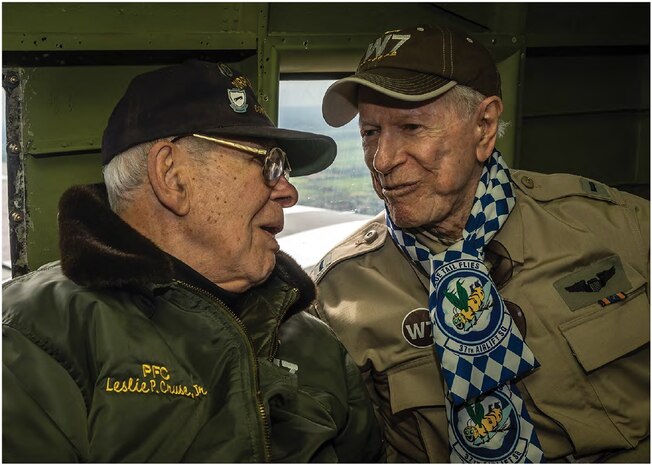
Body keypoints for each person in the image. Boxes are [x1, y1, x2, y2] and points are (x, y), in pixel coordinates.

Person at [2, 59, 384, 462]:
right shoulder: (34, 337)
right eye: (267, 163)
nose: (289, 192)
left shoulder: (317, 345)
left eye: (284, 170)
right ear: (172, 175)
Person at [311, 24, 649, 463]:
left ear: (485, 126)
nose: (383, 160)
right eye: (370, 133)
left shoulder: (620, 227)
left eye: (411, 127)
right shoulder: (335, 299)